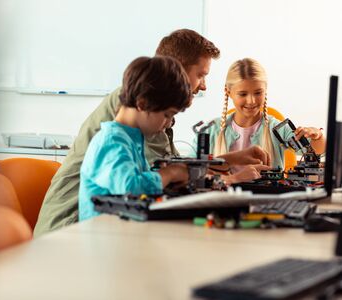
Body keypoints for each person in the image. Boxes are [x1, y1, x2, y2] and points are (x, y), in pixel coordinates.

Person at [33, 30, 268, 237]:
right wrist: (232, 179)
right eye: (201, 74)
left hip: (111, 227)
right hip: (71, 229)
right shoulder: (136, 109)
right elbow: (161, 178)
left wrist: (229, 160)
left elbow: (175, 169)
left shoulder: (148, 107)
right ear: (175, 68)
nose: (204, 85)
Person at [79, 56, 192, 221]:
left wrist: (165, 178)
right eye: (167, 115)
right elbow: (130, 187)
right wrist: (170, 173)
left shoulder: (131, 140)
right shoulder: (111, 141)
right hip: (104, 239)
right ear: (143, 104)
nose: (168, 124)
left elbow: (137, 179)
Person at [191, 58, 326, 169]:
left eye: (258, 92)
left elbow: (315, 151)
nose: (251, 101)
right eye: (243, 94)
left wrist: (317, 136)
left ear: (265, 90)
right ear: (228, 92)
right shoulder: (211, 130)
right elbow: (190, 167)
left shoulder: (278, 129)